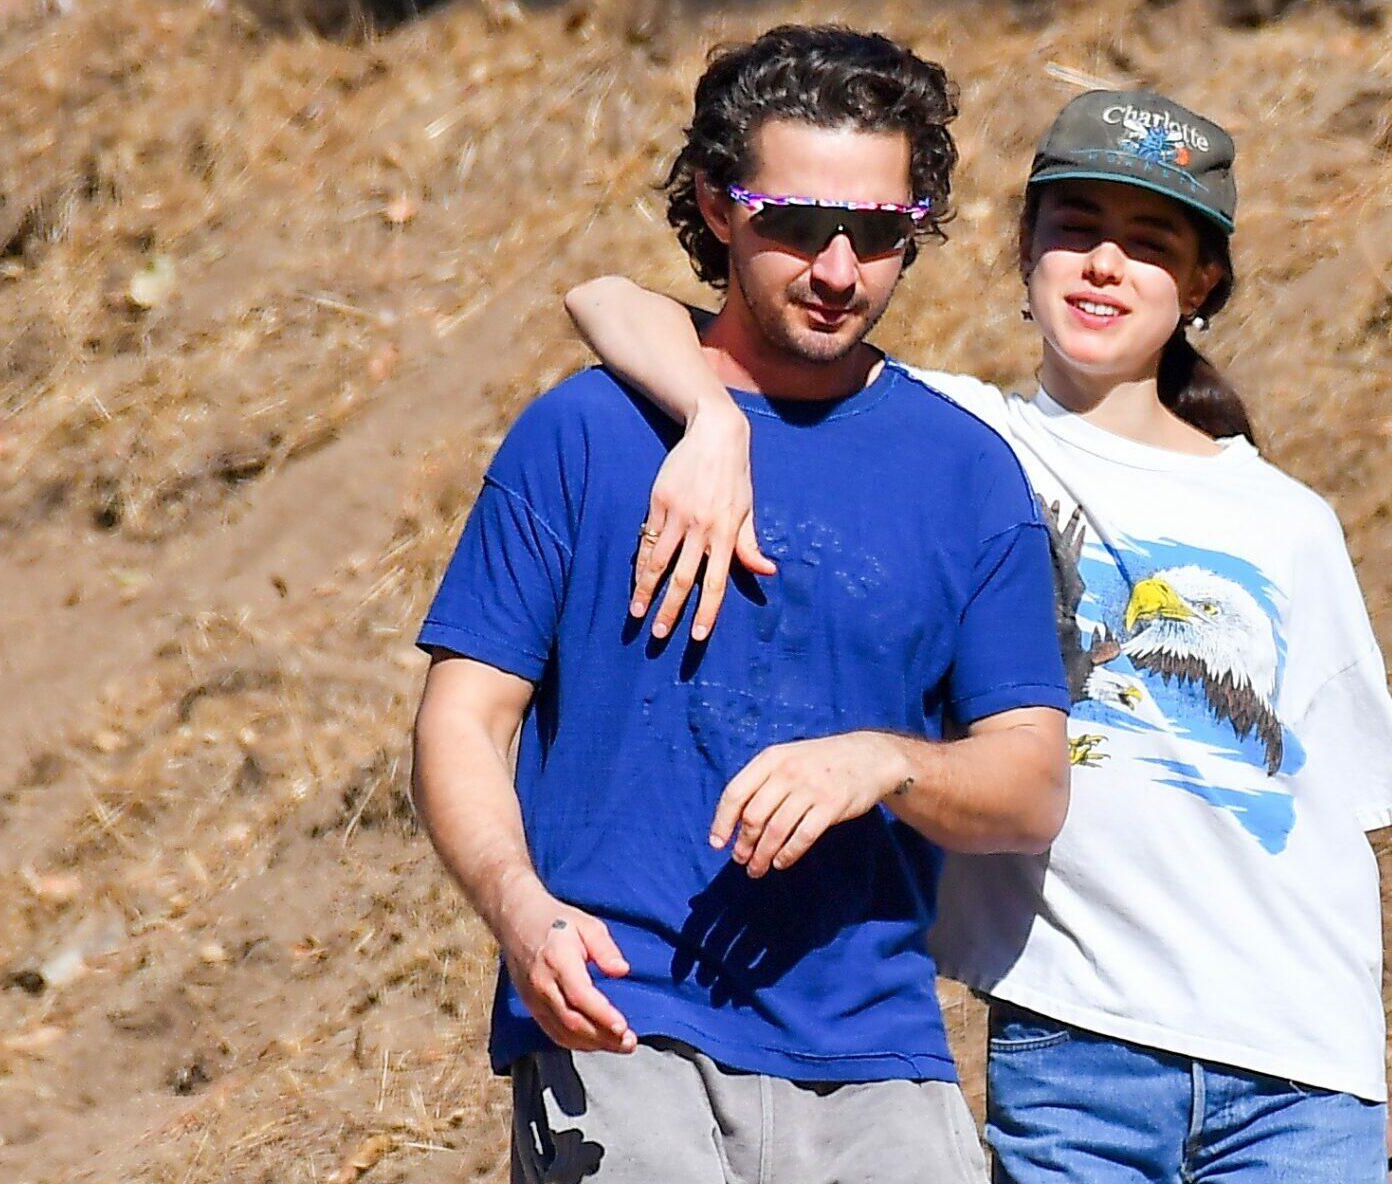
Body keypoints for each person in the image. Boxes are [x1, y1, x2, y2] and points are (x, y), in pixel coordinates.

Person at [566, 88, 1392, 1183]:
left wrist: (1369, 1068)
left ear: (1203, 281)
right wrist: (710, 416)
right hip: (1075, 1047)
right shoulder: (960, 436)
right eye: (1075, 230)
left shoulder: (1291, 522)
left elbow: (1334, 827)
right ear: (1022, 251)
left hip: (1298, 1067)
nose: (1104, 265)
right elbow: (606, 298)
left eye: (1150, 243)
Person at [408, 26, 1073, 1184]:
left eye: (877, 233)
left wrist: (889, 761)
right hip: (620, 1018)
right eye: (797, 223)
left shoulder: (966, 473)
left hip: (879, 1058)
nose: (836, 268)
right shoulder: (586, 433)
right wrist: (518, 910)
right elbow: (462, 720)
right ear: (718, 206)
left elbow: (1031, 784)